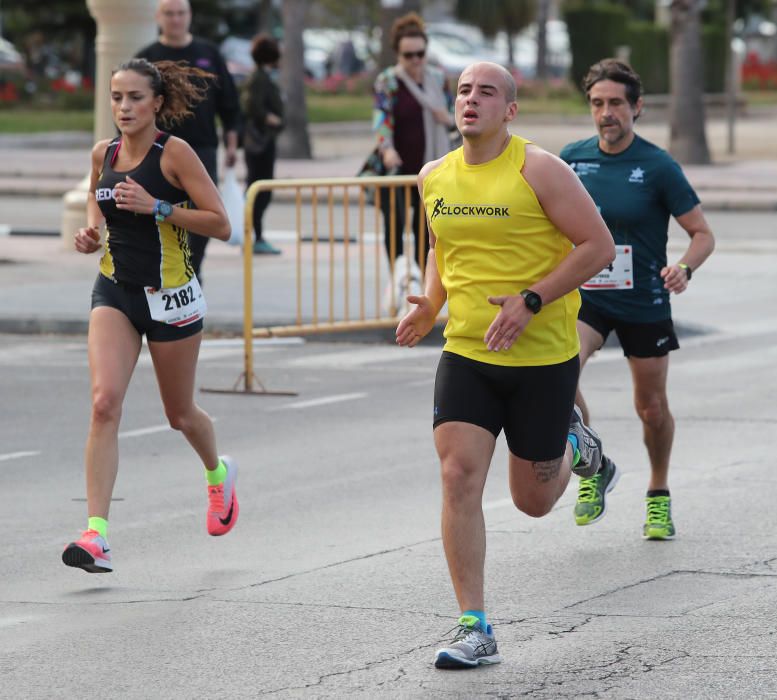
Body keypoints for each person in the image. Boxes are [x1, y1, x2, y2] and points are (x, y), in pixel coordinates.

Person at [396, 61, 616, 669]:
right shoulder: (433, 175)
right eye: (464, 90)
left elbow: (597, 247)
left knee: (533, 502)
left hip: (543, 356)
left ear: (509, 111)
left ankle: (580, 445)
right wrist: (431, 303)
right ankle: (475, 625)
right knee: (457, 476)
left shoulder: (540, 169)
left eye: (486, 92)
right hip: (467, 350)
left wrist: (532, 299)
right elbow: (443, 245)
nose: (471, 100)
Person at [63, 58, 239, 574]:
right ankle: (96, 535)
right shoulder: (104, 153)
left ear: (157, 103)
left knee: (179, 414)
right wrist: (90, 233)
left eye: (135, 98)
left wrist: (158, 207)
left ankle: (217, 472)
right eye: (117, 97)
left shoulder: (174, 154)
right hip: (115, 290)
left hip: (172, 297)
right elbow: (99, 206)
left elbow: (221, 224)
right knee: (103, 404)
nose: (124, 107)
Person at [560, 59, 715, 540]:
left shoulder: (657, 165)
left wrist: (684, 267)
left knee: (650, 406)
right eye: (598, 104)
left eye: (616, 104)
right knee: (559, 377)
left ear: (637, 107)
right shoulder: (571, 159)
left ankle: (658, 493)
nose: (607, 113)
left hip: (644, 298)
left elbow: (702, 234)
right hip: (587, 296)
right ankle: (594, 465)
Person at [136, 0, 240, 282]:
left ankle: (193, 270)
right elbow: (132, 108)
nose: (175, 19)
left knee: (203, 214)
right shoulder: (147, 58)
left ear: (189, 16)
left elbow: (230, 104)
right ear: (159, 17)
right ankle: (166, 271)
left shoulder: (208, 53)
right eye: (169, 13)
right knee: (161, 214)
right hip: (158, 151)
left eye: (181, 13)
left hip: (202, 149)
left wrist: (232, 145)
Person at [373, 12, 454, 269]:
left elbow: (456, 118)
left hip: (431, 167)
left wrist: (448, 118)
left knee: (427, 228)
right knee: (394, 226)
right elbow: (381, 119)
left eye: (420, 54)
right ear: (398, 54)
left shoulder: (438, 79)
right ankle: (397, 279)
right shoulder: (389, 81)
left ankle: (422, 285)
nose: (416, 60)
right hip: (398, 166)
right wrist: (386, 149)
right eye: (409, 55)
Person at [241, 33, 284, 255]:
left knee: (260, 188)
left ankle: (254, 235)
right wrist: (271, 118)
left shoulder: (263, 76)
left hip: (263, 141)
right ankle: (254, 236)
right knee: (259, 190)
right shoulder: (259, 78)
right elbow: (252, 106)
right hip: (259, 142)